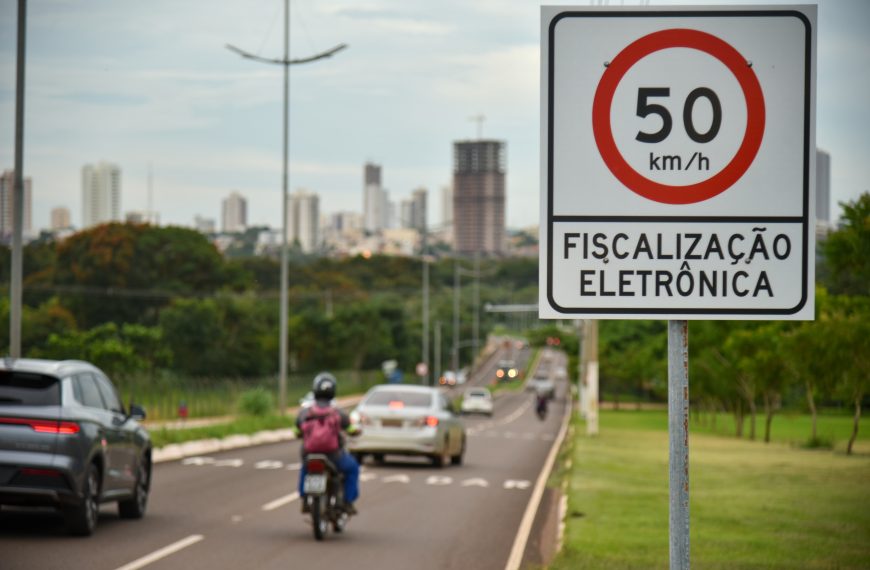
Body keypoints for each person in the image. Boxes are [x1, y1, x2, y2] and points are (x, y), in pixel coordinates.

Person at [296, 372, 360, 515]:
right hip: (333, 456)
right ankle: (348, 502)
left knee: (306, 468)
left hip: (309, 453)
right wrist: (354, 431)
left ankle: (304, 498)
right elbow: (349, 428)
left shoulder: (305, 412)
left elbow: (297, 429)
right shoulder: (338, 412)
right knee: (352, 468)